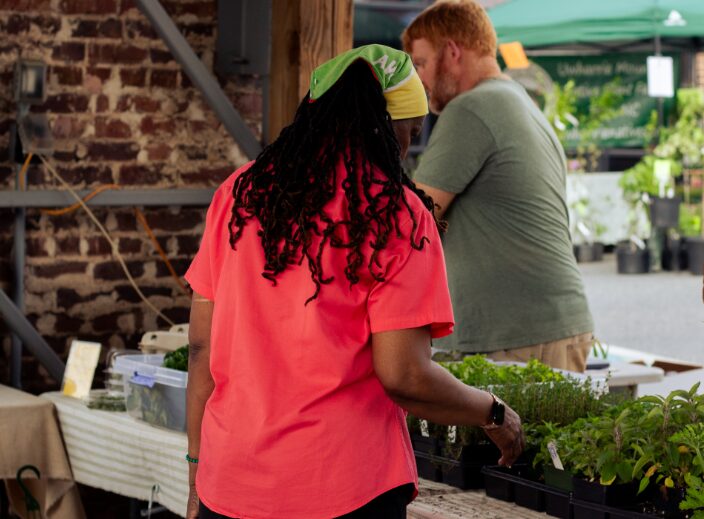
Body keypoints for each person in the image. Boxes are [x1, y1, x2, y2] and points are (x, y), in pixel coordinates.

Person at [183, 45, 524, 519]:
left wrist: (196, 466)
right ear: (387, 126)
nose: (411, 145)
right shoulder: (398, 215)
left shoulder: (238, 195)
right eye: (412, 128)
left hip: (232, 486)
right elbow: (404, 375)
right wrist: (492, 412)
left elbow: (201, 351)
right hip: (343, 490)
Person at [402, 0, 595, 372]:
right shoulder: (518, 101)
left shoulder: (471, 109)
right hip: (547, 325)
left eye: (422, 63)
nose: (419, 80)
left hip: (515, 335)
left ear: (452, 52)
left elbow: (410, 222)